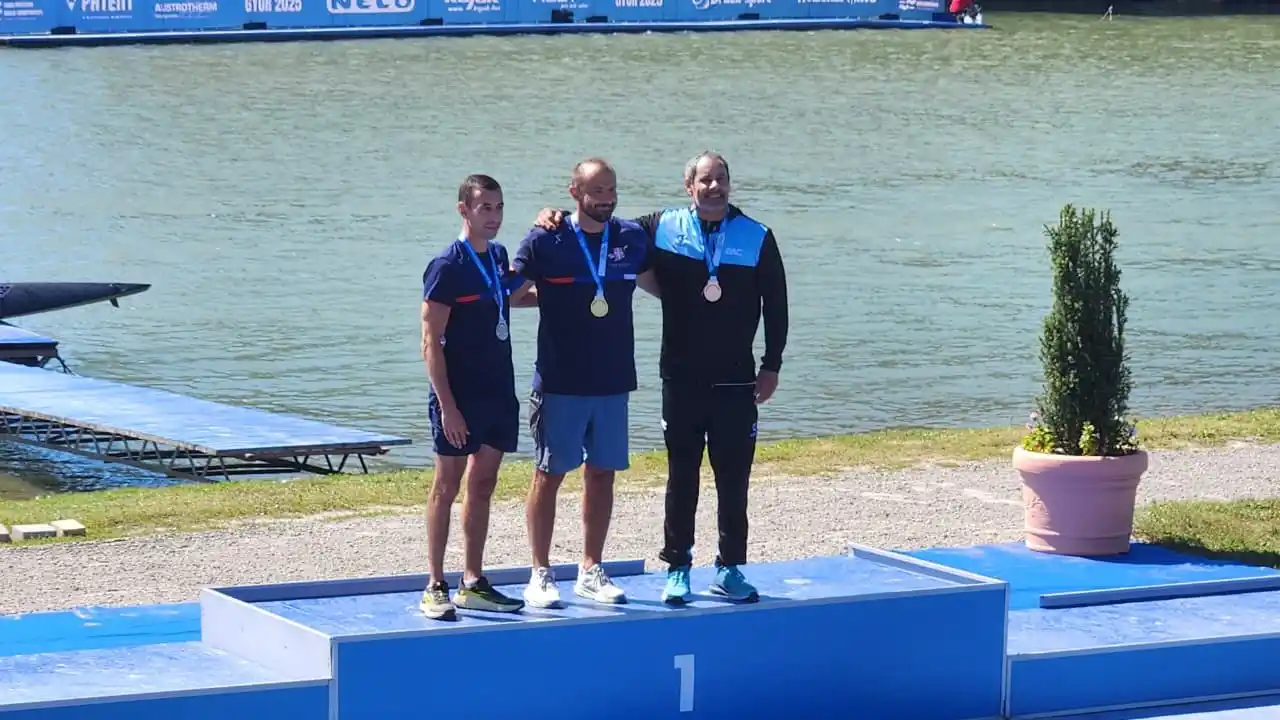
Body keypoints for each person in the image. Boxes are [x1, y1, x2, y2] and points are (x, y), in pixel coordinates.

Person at [533, 151, 789, 606]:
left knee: (734, 480)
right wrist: (551, 215)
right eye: (705, 180)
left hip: (736, 382)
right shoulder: (660, 227)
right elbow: (597, 222)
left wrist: (772, 364)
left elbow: (777, 304)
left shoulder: (756, 236)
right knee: (681, 477)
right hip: (681, 378)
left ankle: (729, 568)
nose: (715, 187)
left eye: (722, 179)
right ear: (688, 186)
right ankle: (678, 567)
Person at [512, 157, 651, 609]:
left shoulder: (631, 238)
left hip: (612, 381)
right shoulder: (546, 239)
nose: (607, 199)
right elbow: (512, 295)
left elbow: (666, 283)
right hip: (560, 381)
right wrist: (556, 295)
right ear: (574, 192)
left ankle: (591, 568)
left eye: (612, 190)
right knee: (549, 473)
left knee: (603, 474)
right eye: (597, 192)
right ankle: (540, 572)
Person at [418, 173, 537, 621]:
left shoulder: (499, 257)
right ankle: (434, 584)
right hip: (458, 396)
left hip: (497, 391)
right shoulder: (446, 266)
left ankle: (473, 580)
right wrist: (447, 406)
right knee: (446, 487)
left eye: (499, 207)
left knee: (482, 485)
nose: (493, 216)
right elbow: (430, 341)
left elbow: (505, 299)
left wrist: (570, 296)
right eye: (484, 207)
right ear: (463, 210)